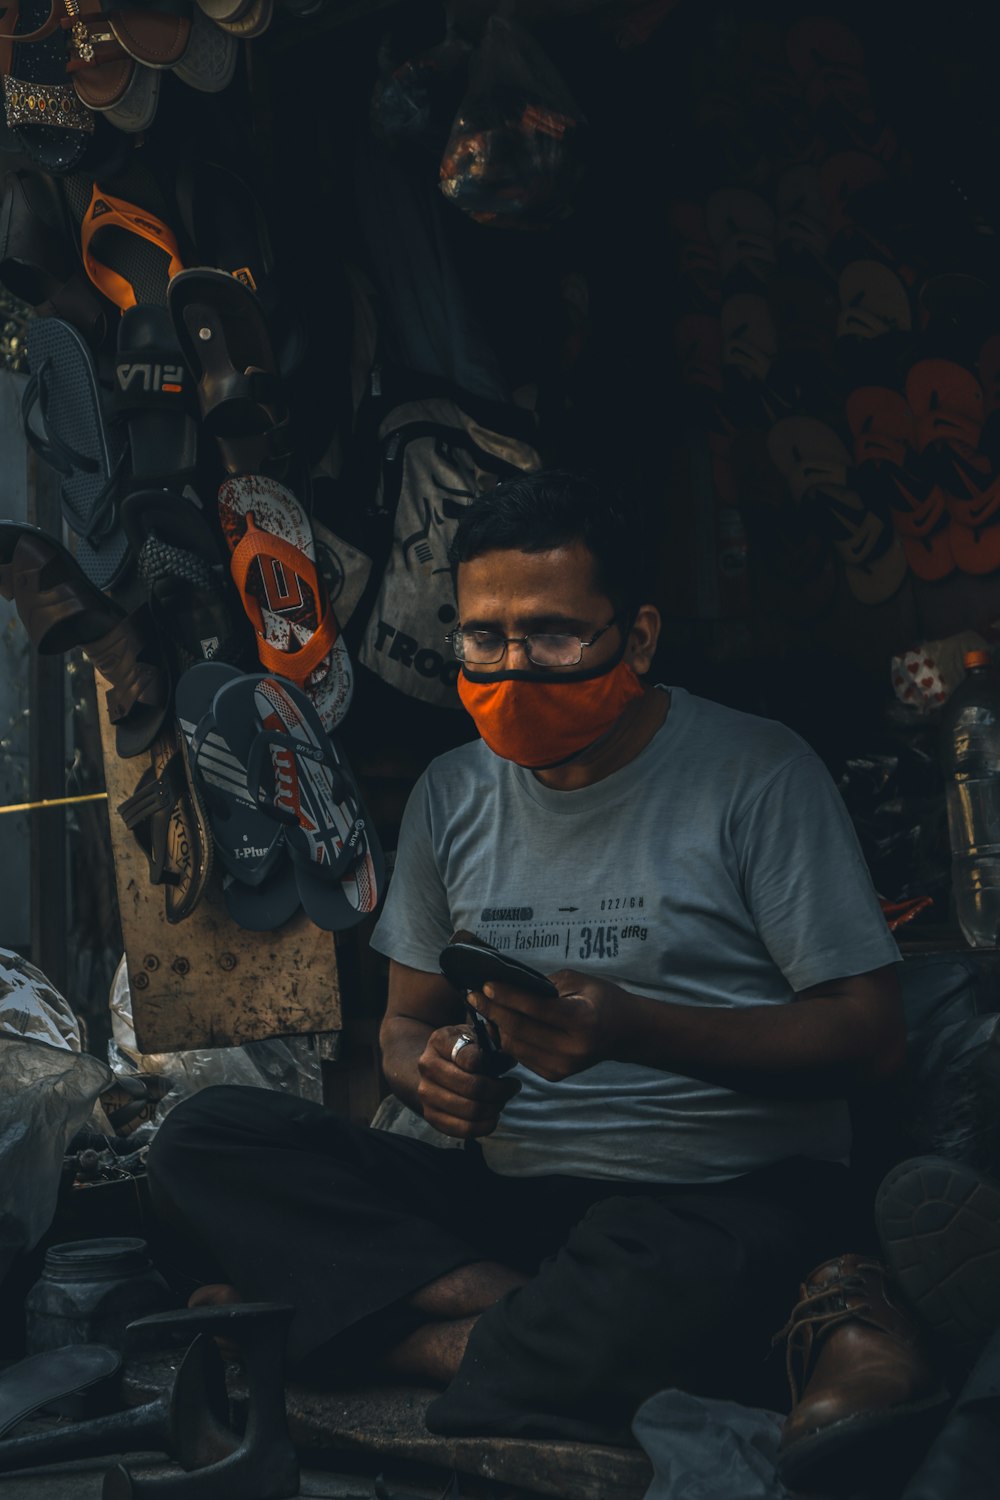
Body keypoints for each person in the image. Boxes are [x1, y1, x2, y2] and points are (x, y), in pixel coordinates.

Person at [148, 469, 907, 1444]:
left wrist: (632, 1029)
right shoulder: (451, 793)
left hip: (707, 1203)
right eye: (482, 637)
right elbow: (403, 1027)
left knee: (662, 1280)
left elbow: (870, 1036)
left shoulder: (757, 772)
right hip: (505, 1206)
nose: (512, 666)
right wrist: (430, 1080)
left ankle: (371, 1340)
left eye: (551, 634)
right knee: (203, 1143)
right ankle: (520, 1316)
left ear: (636, 636)